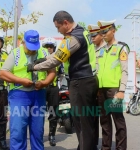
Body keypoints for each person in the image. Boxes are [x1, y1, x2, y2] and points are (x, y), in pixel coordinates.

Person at [27, 11, 99, 150]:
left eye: (58, 27)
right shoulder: (82, 32)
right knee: (83, 119)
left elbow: (56, 60)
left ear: (65, 23)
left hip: (81, 82)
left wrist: (35, 67)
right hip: (86, 80)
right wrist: (45, 58)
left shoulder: (74, 38)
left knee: (82, 120)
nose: (58, 31)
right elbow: (59, 53)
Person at [0, 30, 56, 150]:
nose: (32, 50)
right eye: (30, 47)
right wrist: (21, 80)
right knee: (18, 131)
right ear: (23, 42)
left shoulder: (44, 52)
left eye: (34, 47)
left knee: (38, 131)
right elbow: (3, 73)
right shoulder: (16, 54)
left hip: (39, 95)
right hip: (19, 95)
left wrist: (45, 83)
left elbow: (52, 72)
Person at [97, 20, 130, 150]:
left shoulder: (121, 48)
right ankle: (106, 147)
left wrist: (121, 90)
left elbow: (124, 71)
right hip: (101, 90)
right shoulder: (101, 50)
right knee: (104, 121)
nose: (103, 34)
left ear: (113, 31)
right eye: (101, 32)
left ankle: (121, 148)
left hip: (114, 90)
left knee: (118, 121)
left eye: (105, 31)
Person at [42, 37, 64, 146]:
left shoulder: (58, 60)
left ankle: (52, 135)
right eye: (46, 47)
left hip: (54, 88)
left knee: (53, 112)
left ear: (54, 48)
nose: (48, 49)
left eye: (50, 47)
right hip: (41, 88)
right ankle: (38, 135)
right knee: (39, 112)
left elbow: (61, 74)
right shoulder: (40, 58)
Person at [88, 24, 107, 148]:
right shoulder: (90, 50)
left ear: (101, 35)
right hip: (92, 87)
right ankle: (93, 144)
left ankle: (106, 145)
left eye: (94, 35)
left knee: (105, 120)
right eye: (91, 36)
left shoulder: (107, 49)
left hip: (104, 88)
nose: (92, 38)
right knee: (92, 118)